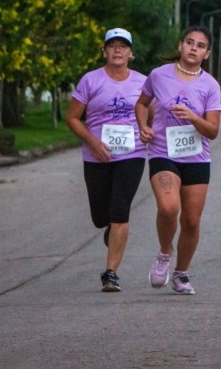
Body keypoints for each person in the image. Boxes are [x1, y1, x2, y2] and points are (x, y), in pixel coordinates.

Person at [135, 25, 221, 296]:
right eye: (189, 42)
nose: (193, 48)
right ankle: (164, 252)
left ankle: (181, 274)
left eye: (200, 45)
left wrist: (194, 117)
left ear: (207, 53)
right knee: (169, 208)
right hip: (163, 152)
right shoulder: (158, 75)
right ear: (181, 45)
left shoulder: (210, 85)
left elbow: (213, 131)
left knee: (192, 221)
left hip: (197, 157)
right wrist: (143, 126)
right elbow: (141, 103)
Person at [66, 27, 147, 292]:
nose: (117, 50)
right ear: (104, 51)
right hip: (96, 155)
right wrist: (93, 142)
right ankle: (110, 229)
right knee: (101, 217)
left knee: (120, 210)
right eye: (112, 46)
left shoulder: (143, 83)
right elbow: (72, 118)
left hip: (132, 154)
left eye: (123, 46)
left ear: (131, 53)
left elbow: (153, 112)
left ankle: (110, 272)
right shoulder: (91, 80)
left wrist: (148, 130)